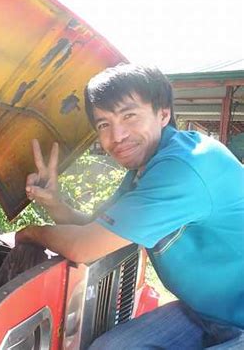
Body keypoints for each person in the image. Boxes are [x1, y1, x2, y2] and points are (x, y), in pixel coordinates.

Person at [15, 64, 244, 349]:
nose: (117, 135)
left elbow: (83, 247)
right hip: (202, 313)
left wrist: (32, 233)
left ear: (163, 113)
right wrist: (54, 203)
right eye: (104, 124)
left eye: (129, 116)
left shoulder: (185, 167)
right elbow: (94, 231)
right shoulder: (145, 171)